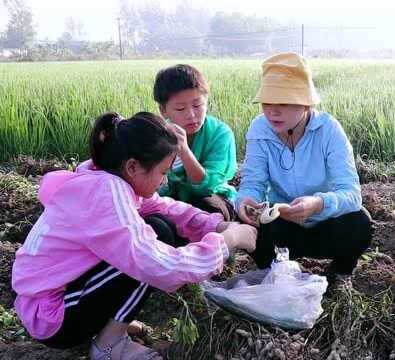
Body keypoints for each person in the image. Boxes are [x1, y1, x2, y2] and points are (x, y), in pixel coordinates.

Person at [12, 111, 256, 359]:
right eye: (163, 172)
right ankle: (109, 346)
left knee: (159, 224)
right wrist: (228, 241)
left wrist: (214, 225)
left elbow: (164, 206)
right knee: (155, 240)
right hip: (53, 318)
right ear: (132, 166)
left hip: (54, 298)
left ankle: (110, 323)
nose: (163, 181)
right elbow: (161, 266)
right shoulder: (106, 193)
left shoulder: (106, 177)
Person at [235, 52, 372, 284]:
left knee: (360, 222)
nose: (272, 111)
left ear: (306, 103)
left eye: (284, 103)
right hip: (282, 222)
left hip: (326, 222)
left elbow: (351, 194)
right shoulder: (259, 129)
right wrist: (246, 201)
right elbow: (253, 181)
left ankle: (340, 271)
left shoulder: (329, 131)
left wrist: (318, 204)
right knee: (246, 225)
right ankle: (275, 272)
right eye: (267, 103)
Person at [154, 64, 238, 221]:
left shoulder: (221, 134)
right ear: (163, 110)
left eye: (197, 105)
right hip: (174, 196)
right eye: (180, 109)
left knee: (207, 210)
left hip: (213, 196)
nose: (191, 115)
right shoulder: (160, 134)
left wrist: (183, 150)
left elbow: (207, 186)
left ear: (206, 101)